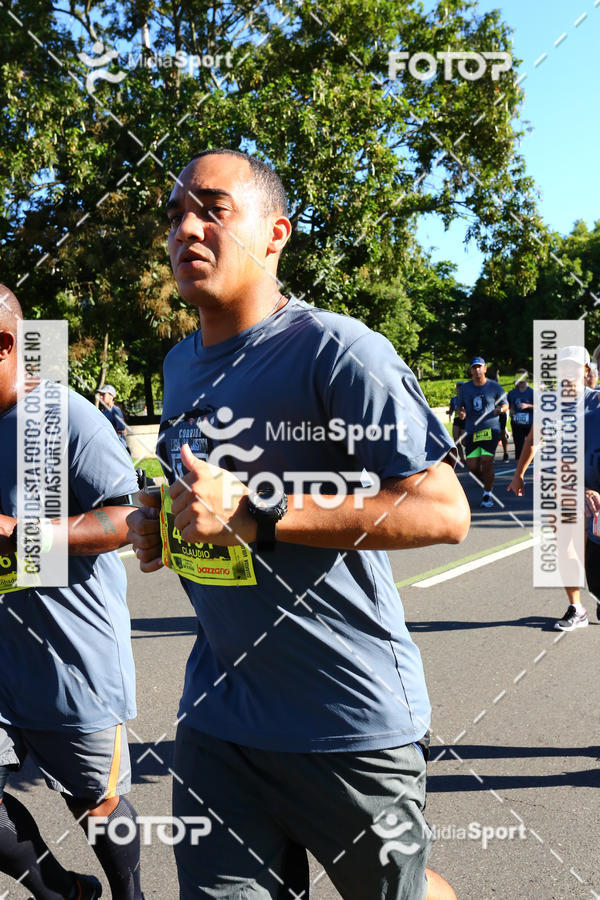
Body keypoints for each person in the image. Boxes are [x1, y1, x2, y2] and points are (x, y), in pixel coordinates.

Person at [127, 149, 470, 900]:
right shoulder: (177, 364)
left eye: (212, 209)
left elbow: (445, 512)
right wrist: (162, 523)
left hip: (346, 721)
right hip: (220, 718)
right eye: (174, 214)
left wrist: (261, 515)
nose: (186, 228)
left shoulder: (339, 351)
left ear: (275, 232)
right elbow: (208, 500)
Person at [0, 288, 144, 899]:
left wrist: (19, 537)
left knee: (97, 805)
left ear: (6, 345)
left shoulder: (65, 418)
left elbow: (128, 519)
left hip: (70, 661)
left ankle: (128, 896)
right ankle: (62, 892)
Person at [507, 346, 591, 631]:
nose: (568, 371)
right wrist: (519, 474)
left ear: (586, 370)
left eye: (574, 366)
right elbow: (532, 440)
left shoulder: (596, 402)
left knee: (590, 550)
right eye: (563, 366)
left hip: (593, 489)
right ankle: (576, 607)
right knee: (566, 548)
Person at [458, 357, 508, 508]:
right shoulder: (465, 388)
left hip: (490, 429)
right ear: (471, 370)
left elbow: (506, 404)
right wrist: (461, 413)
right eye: (474, 367)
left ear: (485, 369)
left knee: (486, 461)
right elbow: (460, 406)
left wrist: (500, 409)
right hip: (472, 430)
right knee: (472, 467)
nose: (477, 370)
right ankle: (486, 481)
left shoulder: (494, 387)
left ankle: (487, 494)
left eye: (480, 367)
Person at [506, 369, 534, 462]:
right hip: (517, 423)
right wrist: (511, 413)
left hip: (530, 423)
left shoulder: (532, 392)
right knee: (518, 444)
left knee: (530, 443)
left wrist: (528, 406)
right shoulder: (512, 393)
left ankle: (530, 459)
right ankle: (519, 463)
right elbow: (508, 406)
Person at [97, 384, 128, 450]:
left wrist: (106, 429)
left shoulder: (116, 410)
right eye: (100, 395)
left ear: (111, 396)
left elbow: (122, 430)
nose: (101, 397)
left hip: (118, 447)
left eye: (103, 395)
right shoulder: (103, 412)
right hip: (107, 446)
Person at [447, 381, 466, 463]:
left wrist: (465, 413)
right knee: (456, 440)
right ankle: (462, 459)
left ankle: (471, 453)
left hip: (465, 420)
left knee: (464, 441)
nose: (459, 389)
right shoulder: (453, 399)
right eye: (458, 387)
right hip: (457, 420)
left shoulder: (467, 398)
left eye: (461, 387)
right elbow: (451, 409)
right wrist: (449, 412)